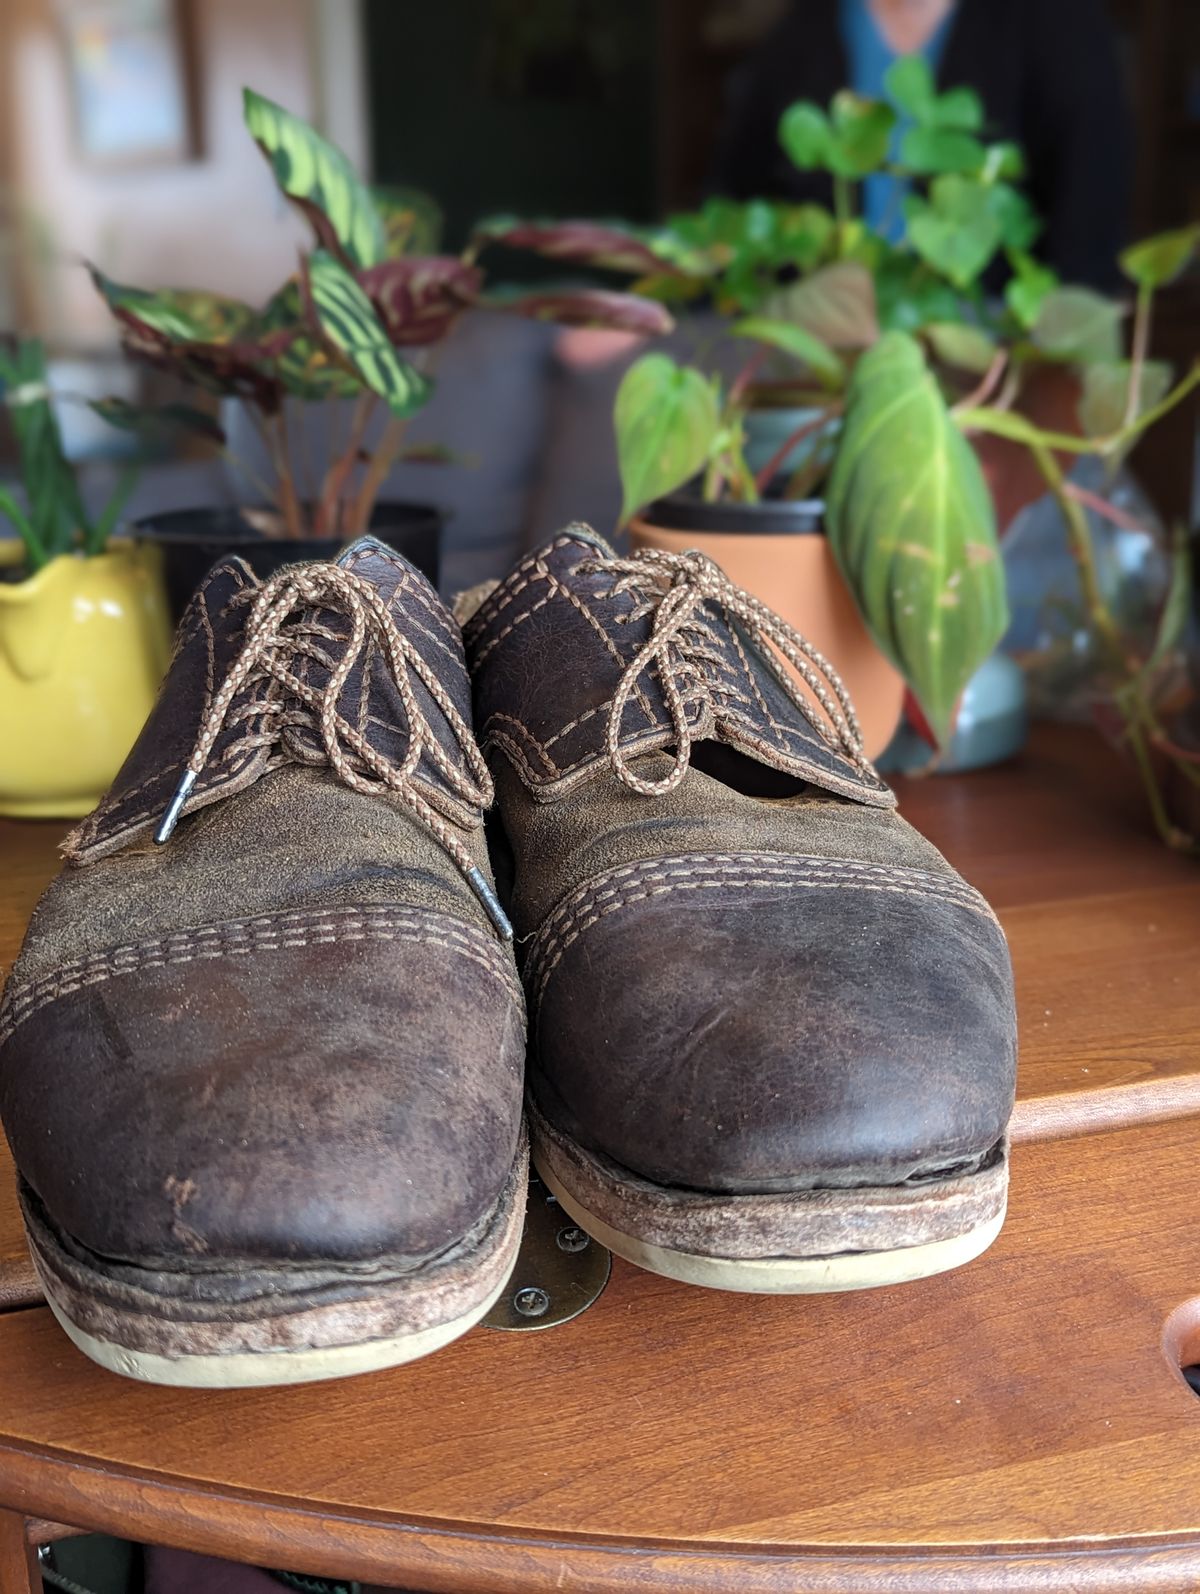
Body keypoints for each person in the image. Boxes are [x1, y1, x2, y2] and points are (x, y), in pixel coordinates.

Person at [709, 0, 1133, 287]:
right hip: (818, 369)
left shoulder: (1061, 28)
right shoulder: (796, 38)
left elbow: (1089, 242)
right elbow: (733, 212)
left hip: (1001, 367)